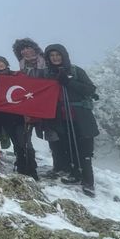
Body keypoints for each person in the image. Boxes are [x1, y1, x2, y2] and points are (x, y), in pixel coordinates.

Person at [45, 44, 99, 197]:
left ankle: (88, 182)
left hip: (81, 117)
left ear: (64, 55)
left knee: (85, 150)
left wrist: (69, 81)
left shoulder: (76, 71)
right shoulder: (49, 74)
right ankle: (76, 175)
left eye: (58, 55)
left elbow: (90, 89)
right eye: (52, 56)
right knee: (68, 147)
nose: (55, 58)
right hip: (61, 118)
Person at [0, 56, 38, 179]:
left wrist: (29, 114)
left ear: (5, 62)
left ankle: (32, 169)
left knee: (25, 142)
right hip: (5, 117)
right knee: (16, 142)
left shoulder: (18, 75)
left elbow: (28, 89)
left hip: (21, 116)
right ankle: (21, 166)